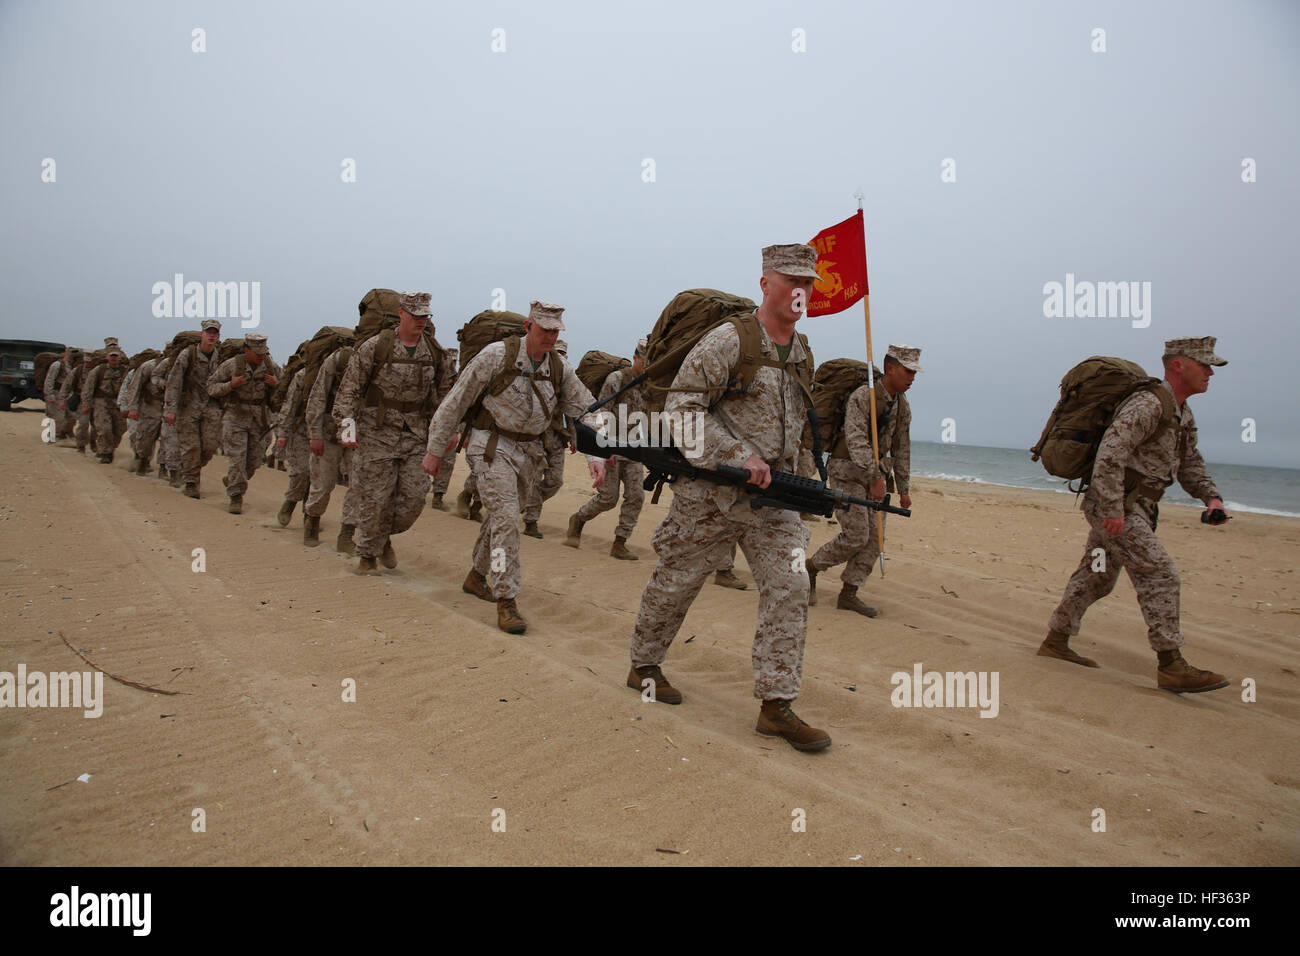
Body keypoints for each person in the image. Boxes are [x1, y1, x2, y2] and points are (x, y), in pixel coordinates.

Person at [626, 243, 830, 752]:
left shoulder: (802, 352)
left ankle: (776, 705)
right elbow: (680, 411)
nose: (799, 291)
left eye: (807, 282)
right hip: (711, 494)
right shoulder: (727, 340)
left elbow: (799, 428)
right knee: (677, 581)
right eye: (789, 280)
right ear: (765, 283)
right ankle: (644, 664)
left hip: (772, 500)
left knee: (790, 585)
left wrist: (804, 483)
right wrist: (737, 453)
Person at [1042, 336, 1231, 693]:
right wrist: (1112, 509)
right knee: (1160, 574)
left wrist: (1211, 498)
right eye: (1204, 364)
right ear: (1179, 365)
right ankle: (1171, 664)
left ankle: (1055, 641)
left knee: (1096, 576)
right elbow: (1111, 453)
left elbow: (1190, 462)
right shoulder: (1148, 404)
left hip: (1134, 506)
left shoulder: (1182, 412)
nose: (1210, 371)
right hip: (1118, 507)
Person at [423, 300, 604, 634]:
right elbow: (456, 401)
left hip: (528, 453)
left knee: (499, 518)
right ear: (528, 326)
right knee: (507, 517)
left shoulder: (559, 368)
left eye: (555, 331)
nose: (550, 337)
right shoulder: (496, 355)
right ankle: (507, 599)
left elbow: (584, 410)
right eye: (544, 330)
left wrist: (596, 457)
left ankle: (476, 576)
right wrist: (435, 449)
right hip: (491, 445)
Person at [333, 292, 451, 572]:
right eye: (416, 315)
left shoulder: (434, 352)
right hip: (377, 432)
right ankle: (368, 556)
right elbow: (350, 387)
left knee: (412, 500)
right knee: (375, 498)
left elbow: (447, 396)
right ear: (401, 314)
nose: (421, 321)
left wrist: (450, 430)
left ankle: (382, 537)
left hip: (416, 434)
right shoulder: (376, 347)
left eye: (425, 316)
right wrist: (346, 425)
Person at [807, 344, 918, 617]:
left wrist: (903, 489)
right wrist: (874, 476)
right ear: (890, 368)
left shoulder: (902, 407)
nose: (912, 377)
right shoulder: (862, 397)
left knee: (875, 540)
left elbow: (902, 448)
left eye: (915, 372)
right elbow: (855, 440)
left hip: (877, 478)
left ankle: (849, 593)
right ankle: (812, 567)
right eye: (908, 371)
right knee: (857, 535)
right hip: (848, 472)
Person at [565, 338, 647, 558]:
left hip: (633, 447)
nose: (647, 364)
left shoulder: (648, 384)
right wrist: (604, 449)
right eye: (644, 359)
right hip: (611, 445)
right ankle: (579, 519)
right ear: (635, 358)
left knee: (636, 496)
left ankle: (620, 542)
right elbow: (601, 413)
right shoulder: (617, 379)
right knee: (608, 498)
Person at [207, 332, 281, 514]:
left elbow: (286, 390)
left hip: (259, 420)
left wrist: (276, 384)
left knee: (255, 461)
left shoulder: (270, 366)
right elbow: (211, 387)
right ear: (246, 350)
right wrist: (230, 385)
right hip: (235, 417)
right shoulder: (232, 365)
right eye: (257, 352)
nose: (261, 356)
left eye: (263, 352)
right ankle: (236, 496)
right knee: (237, 459)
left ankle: (233, 480)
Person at [302, 342, 360, 549]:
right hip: (329, 432)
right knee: (323, 483)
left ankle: (346, 534)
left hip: (358, 433)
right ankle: (312, 522)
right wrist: (314, 434)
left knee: (358, 485)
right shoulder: (339, 359)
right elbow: (318, 396)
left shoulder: (380, 358)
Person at [164, 319, 224, 499]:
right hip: (188, 406)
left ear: (218, 336)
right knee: (191, 446)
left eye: (215, 333)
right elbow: (174, 382)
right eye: (208, 332)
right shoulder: (187, 355)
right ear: (202, 334)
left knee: (210, 446)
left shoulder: (219, 358)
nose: (211, 335)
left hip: (211, 407)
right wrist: (171, 409)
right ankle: (191, 482)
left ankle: (190, 468)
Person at [521, 339, 574, 538]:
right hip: (537, 436)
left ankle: (527, 504)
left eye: (562, 353)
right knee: (535, 478)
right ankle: (531, 522)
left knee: (555, 481)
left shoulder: (565, 378)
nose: (559, 357)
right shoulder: (537, 374)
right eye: (556, 352)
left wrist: (574, 437)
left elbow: (570, 410)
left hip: (558, 438)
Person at [81, 339, 129, 463]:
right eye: (112, 356)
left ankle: (110, 447)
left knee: (120, 428)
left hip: (117, 403)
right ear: (107, 357)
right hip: (101, 402)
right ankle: (105, 453)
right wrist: (86, 404)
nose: (114, 358)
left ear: (119, 357)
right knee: (104, 428)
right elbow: (88, 388)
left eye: (116, 356)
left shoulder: (125, 371)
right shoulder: (99, 370)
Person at [275, 365, 311, 526]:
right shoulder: (304, 375)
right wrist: (283, 432)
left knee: (319, 477)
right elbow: (290, 405)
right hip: (301, 429)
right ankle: (290, 502)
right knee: (301, 471)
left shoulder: (344, 374)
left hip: (328, 431)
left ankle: (310, 515)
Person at [126, 347, 167, 475]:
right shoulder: (148, 366)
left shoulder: (182, 365)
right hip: (150, 406)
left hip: (170, 407)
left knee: (169, 440)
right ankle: (142, 461)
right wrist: (132, 408)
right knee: (146, 438)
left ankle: (164, 468)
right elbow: (135, 387)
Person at [44, 347, 76, 441]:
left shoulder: (73, 366)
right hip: (56, 393)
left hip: (68, 394)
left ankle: (65, 432)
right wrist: (49, 395)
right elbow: (49, 380)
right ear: (66, 353)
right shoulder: (57, 365)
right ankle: (54, 436)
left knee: (72, 416)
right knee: (58, 417)